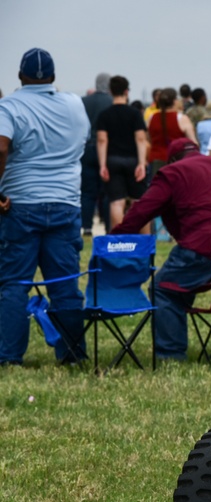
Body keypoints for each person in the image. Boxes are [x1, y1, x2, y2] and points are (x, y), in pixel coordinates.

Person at [0, 48, 90, 366]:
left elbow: (1, 146)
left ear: (21, 76)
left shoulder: (9, 106)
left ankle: (8, 357)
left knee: (14, 284)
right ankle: (72, 354)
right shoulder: (75, 105)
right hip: (65, 203)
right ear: (52, 77)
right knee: (65, 286)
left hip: (20, 205)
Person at [108, 139, 211, 361]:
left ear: (173, 159)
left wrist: (113, 238)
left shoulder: (172, 172)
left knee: (163, 289)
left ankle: (171, 354)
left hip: (200, 246)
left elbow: (142, 211)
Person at [96, 75, 148, 229]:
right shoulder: (135, 114)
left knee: (116, 202)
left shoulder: (104, 115)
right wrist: (142, 162)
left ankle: (118, 240)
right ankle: (143, 239)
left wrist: (102, 164)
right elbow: (140, 139)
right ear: (127, 91)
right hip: (133, 160)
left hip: (112, 160)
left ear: (111, 91)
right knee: (138, 201)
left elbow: (101, 140)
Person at [80, 73, 112, 235]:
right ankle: (108, 226)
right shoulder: (112, 102)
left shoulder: (84, 101)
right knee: (106, 191)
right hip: (105, 149)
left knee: (87, 191)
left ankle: (86, 226)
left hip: (86, 148)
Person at [147, 88, 197, 176]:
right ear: (174, 101)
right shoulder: (181, 118)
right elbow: (193, 143)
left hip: (155, 160)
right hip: (177, 161)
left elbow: (148, 141)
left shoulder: (152, 118)